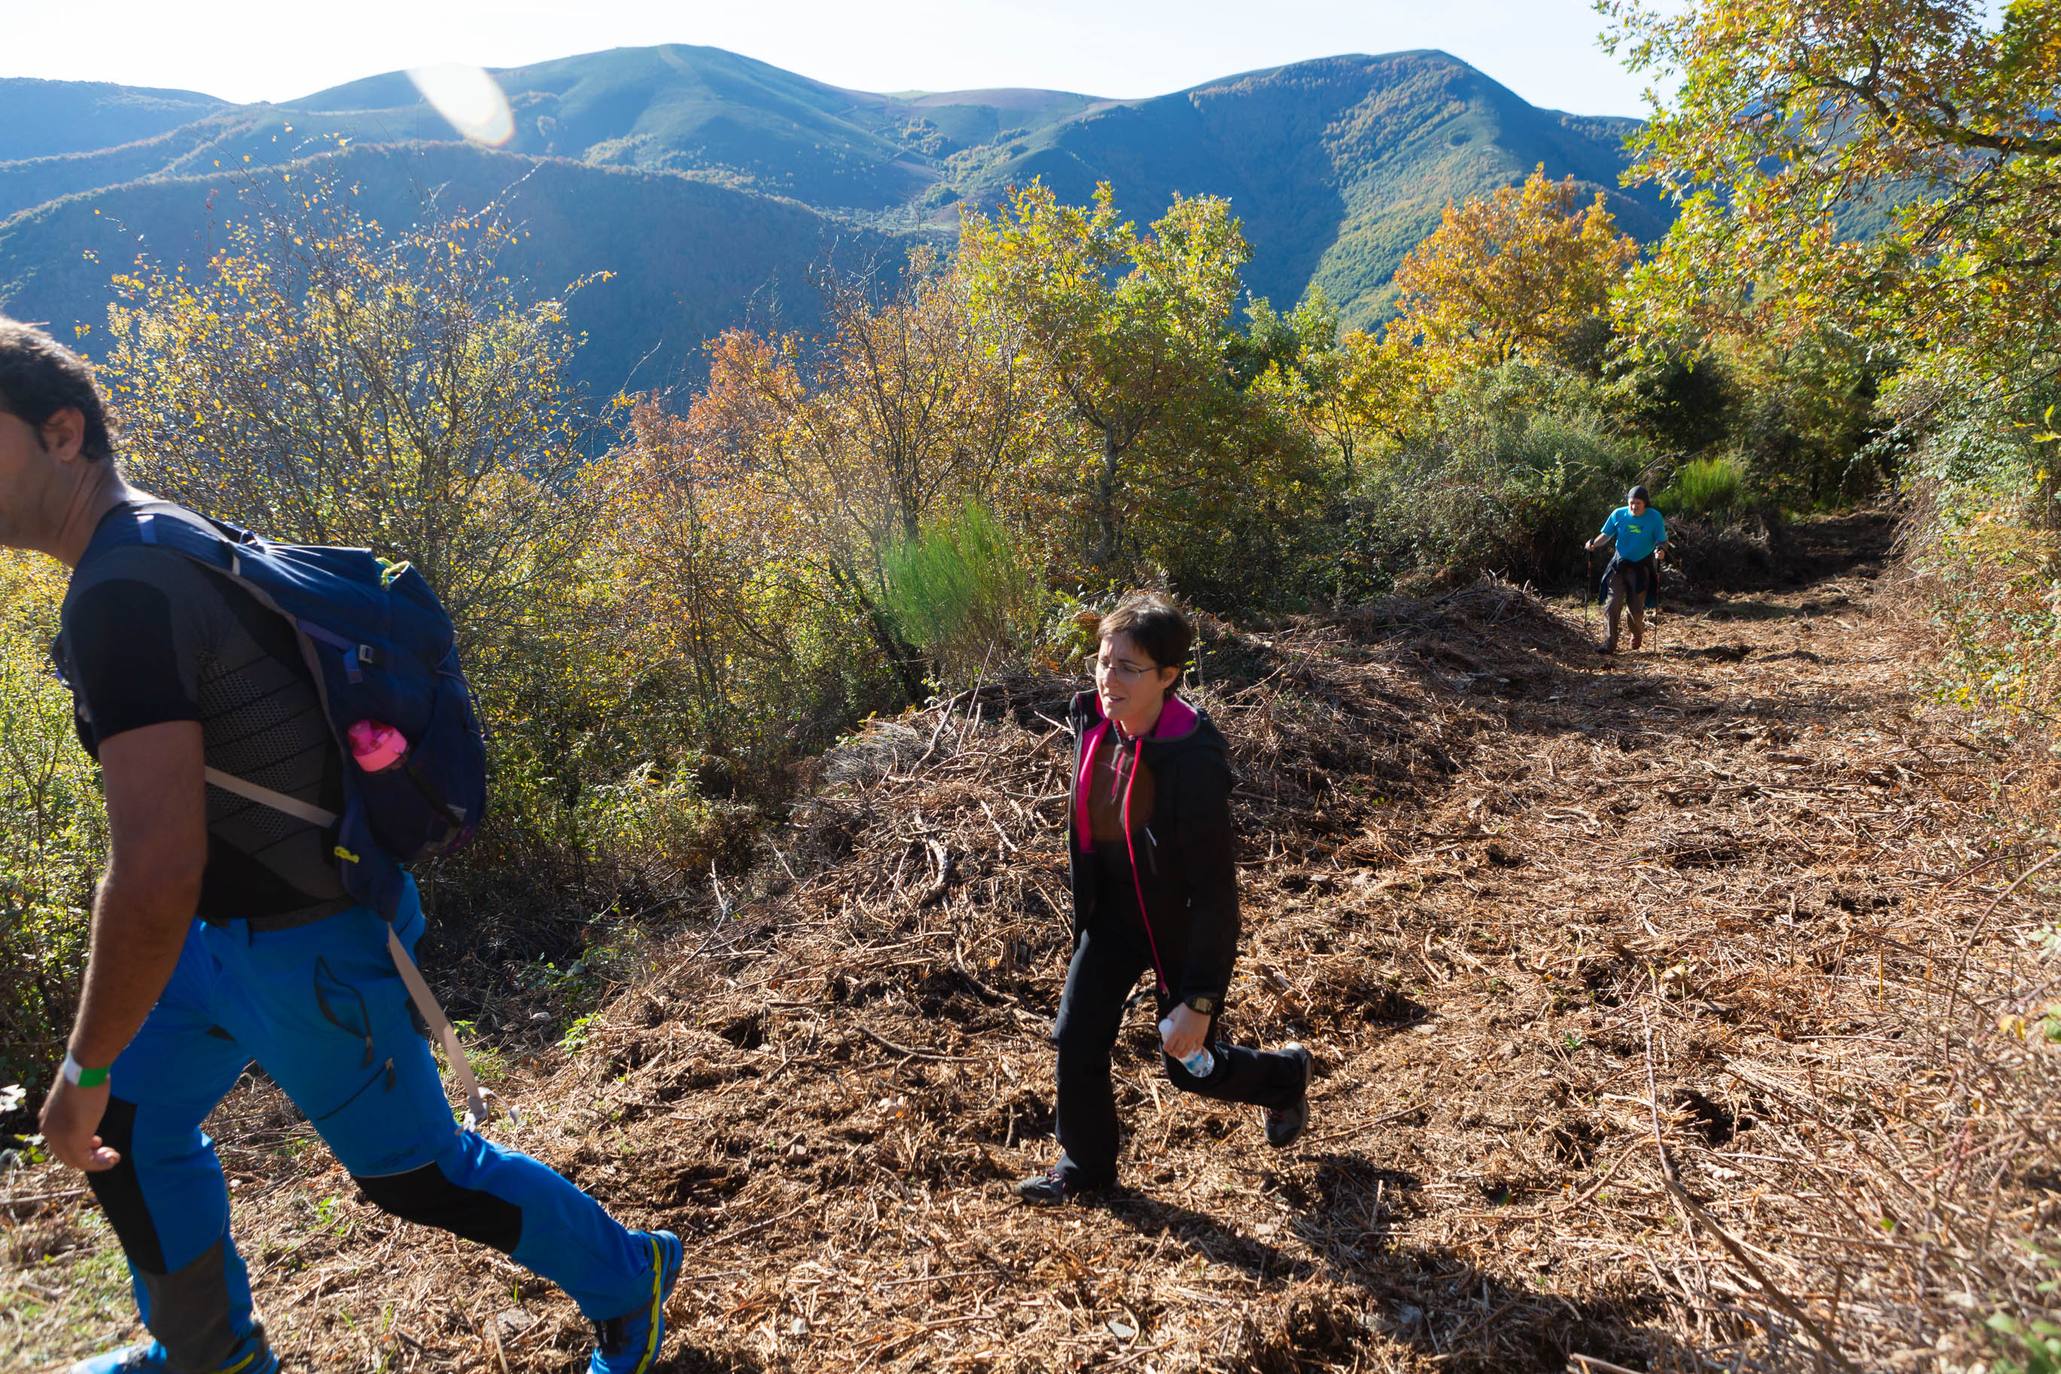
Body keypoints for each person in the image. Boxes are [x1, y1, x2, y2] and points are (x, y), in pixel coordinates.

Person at [1, 317, 682, 1374]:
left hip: (303, 941)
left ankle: (628, 1275)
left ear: (61, 433)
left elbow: (156, 868)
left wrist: (84, 1062)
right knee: (130, 1132)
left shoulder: (121, 594)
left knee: (418, 1175)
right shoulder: (154, 539)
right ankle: (212, 1356)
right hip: (215, 939)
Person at [1016, 592, 1312, 1204]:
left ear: (1169, 676)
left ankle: (1285, 1076)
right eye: (1104, 662)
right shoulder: (1094, 722)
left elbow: (1215, 895)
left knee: (1189, 1068)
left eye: (1128, 667)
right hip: (1112, 919)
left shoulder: (1192, 762)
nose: (1108, 679)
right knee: (1076, 1038)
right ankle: (1086, 1166)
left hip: (1179, 927)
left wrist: (1199, 1000)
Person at [1585, 484, 1671, 654]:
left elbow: (1662, 541)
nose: (1634, 506)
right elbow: (1606, 535)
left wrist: (1661, 551)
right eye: (1631, 503)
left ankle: (1637, 632)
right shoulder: (1618, 514)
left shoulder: (1654, 517)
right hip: (1619, 565)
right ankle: (1609, 644)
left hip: (1641, 568)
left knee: (1635, 611)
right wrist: (1593, 544)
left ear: (1645, 503)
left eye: (1638, 503)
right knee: (1612, 604)